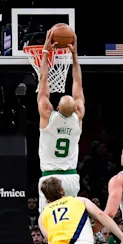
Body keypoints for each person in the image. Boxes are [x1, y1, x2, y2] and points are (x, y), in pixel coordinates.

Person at [36, 27, 84, 212]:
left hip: (50, 178)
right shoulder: (78, 117)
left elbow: (43, 82)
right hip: (71, 178)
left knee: (49, 223)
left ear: (56, 108)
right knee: (69, 221)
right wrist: (75, 56)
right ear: (76, 109)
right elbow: (78, 84)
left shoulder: (47, 116)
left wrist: (46, 51)